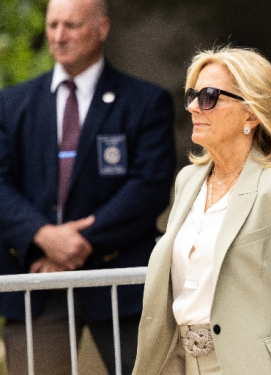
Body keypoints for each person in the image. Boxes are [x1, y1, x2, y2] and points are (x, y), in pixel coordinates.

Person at [131, 47, 271, 375]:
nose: (192, 106)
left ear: (251, 114)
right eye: (193, 95)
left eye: (209, 96)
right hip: (186, 365)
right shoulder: (187, 181)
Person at [0, 0, 176, 373]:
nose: (59, 36)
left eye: (72, 25)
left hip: (121, 283)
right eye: (52, 26)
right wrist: (43, 236)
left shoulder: (145, 102)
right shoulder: (10, 104)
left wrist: (75, 245)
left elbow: (149, 186)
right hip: (36, 281)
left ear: (103, 28)